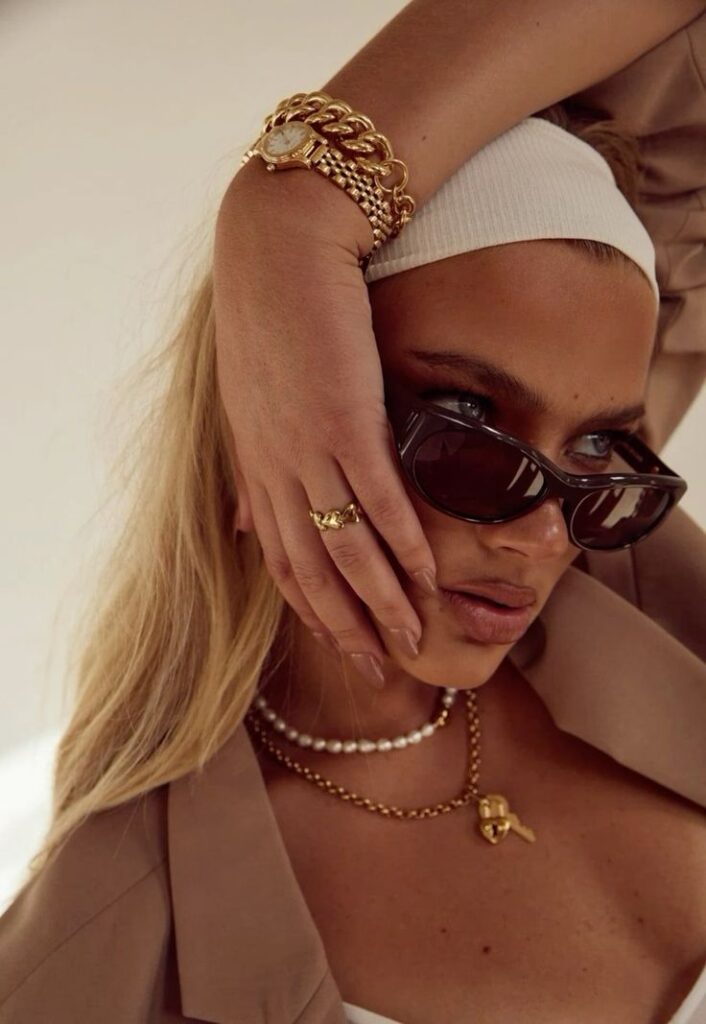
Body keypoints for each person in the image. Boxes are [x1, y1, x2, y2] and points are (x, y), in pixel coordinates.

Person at [1, 7, 706, 1024]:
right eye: (464, 421)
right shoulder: (108, 947)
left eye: (597, 448)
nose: (542, 536)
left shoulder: (632, 596)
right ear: (274, 392)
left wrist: (291, 206)